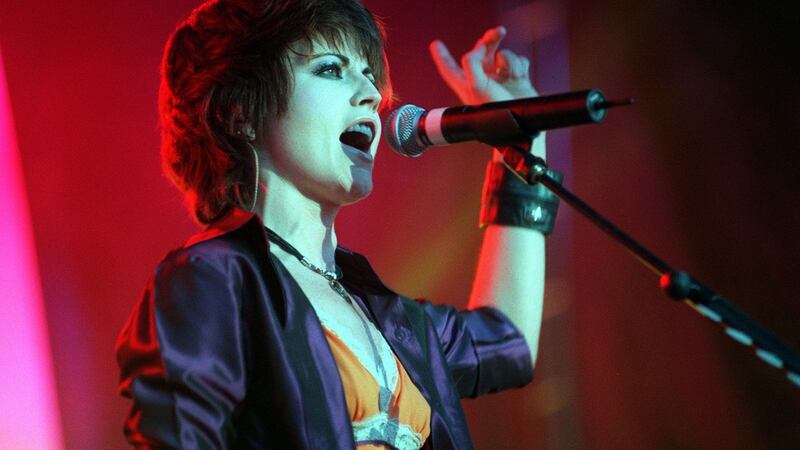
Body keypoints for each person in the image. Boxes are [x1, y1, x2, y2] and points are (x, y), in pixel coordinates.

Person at [116, 0, 560, 448]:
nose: (372, 93)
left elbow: (509, 344)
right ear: (241, 114)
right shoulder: (214, 282)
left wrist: (523, 146)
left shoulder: (392, 319)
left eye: (370, 74)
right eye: (331, 69)